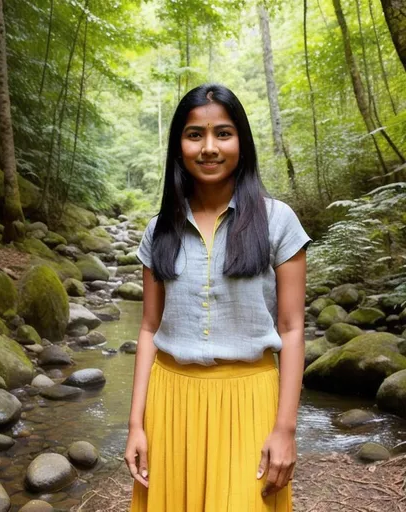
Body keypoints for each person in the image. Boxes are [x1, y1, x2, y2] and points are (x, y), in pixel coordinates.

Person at [125, 83, 312, 512]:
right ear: (179, 146)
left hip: (251, 402)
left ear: (241, 143)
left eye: (223, 134)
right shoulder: (159, 230)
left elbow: (292, 328)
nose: (209, 148)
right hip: (170, 404)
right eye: (195, 135)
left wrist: (285, 429)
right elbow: (149, 328)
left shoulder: (277, 221)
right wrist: (136, 424)